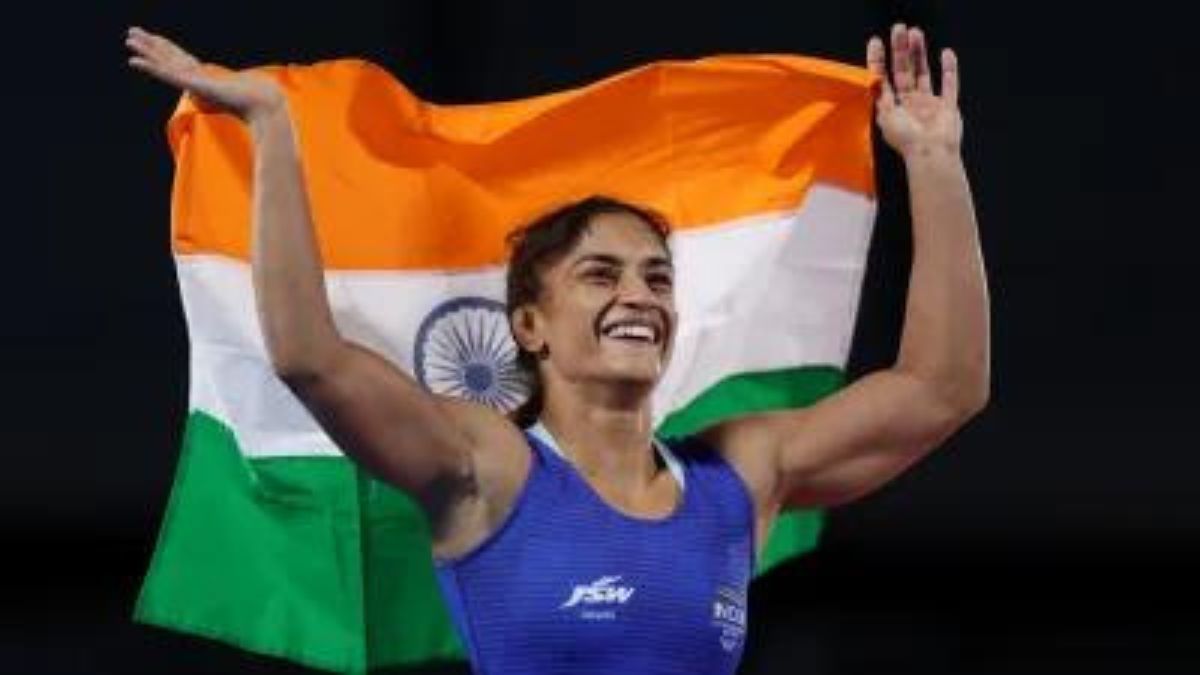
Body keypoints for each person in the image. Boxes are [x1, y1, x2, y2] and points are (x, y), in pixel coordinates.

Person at [126, 22, 989, 674]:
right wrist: (274, 130)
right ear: (529, 326)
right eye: (601, 275)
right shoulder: (489, 467)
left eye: (657, 278)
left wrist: (934, 161)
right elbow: (311, 357)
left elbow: (942, 387)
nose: (638, 296)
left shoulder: (738, 475)